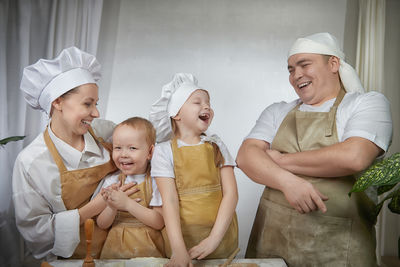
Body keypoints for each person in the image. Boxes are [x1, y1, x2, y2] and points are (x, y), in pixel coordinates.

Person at [236, 32, 393, 266]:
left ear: (333, 64)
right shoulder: (277, 111)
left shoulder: (366, 103)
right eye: (290, 69)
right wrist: (289, 183)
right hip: (271, 243)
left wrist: (278, 161)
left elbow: (354, 157)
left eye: (304, 64)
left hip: (340, 248)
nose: (296, 74)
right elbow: (245, 157)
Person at [12, 47, 136, 260]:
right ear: (57, 102)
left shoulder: (106, 133)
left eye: (96, 104)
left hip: (125, 251)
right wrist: (92, 209)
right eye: (87, 104)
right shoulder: (31, 162)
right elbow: (36, 232)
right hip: (73, 261)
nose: (96, 113)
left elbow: (148, 143)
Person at [149, 73, 238, 267]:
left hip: (221, 238)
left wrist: (214, 239)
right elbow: (169, 201)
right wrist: (179, 250)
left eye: (208, 102)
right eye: (197, 102)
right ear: (176, 113)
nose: (206, 106)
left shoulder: (217, 145)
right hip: (180, 242)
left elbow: (231, 194)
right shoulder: (164, 151)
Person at [96, 117, 165, 258]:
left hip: (146, 248)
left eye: (132, 148)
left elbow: (159, 222)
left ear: (150, 152)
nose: (123, 154)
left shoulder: (156, 181)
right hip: (114, 249)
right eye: (118, 148)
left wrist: (127, 204)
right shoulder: (112, 181)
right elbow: (102, 224)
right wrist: (112, 207)